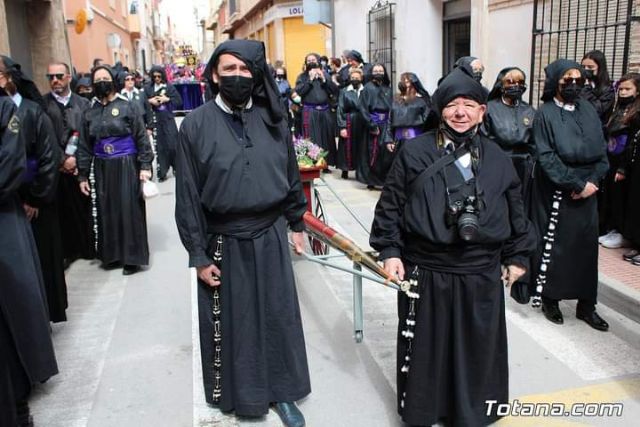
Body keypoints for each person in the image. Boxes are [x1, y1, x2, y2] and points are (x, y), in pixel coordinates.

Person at [370, 67, 535, 426]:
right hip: (426, 270)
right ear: (440, 109)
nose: (461, 112)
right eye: (452, 104)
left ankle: (471, 412)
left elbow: (516, 211)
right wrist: (390, 251)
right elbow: (391, 206)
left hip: (480, 271)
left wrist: (518, 255)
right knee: (428, 349)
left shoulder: (497, 158)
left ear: (482, 111)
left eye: (469, 104)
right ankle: (426, 409)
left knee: (477, 347)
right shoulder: (414, 152)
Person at [175, 40, 310, 427]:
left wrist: (296, 222)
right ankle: (242, 396)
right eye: (228, 69)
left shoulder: (273, 118)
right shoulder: (196, 124)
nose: (237, 76)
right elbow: (187, 196)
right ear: (214, 75)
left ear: (257, 75)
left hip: (269, 233)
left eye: (244, 69)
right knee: (237, 322)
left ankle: (283, 394)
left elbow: (289, 175)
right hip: (223, 238)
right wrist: (198, 254)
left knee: (277, 317)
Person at [530, 59, 609, 331]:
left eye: (579, 79)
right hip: (558, 187)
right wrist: (574, 183)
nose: (574, 85)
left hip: (589, 188)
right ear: (555, 83)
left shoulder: (588, 109)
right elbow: (547, 156)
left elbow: (602, 151)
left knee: (587, 249)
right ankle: (551, 298)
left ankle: (587, 305)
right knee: (558, 248)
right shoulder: (545, 114)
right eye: (568, 80)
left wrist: (593, 181)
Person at [0, 96, 59, 427]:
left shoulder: (5, 110)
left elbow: (10, 163)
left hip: (4, 217)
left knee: (14, 304)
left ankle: (18, 399)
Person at [0, 55, 68, 323]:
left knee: (42, 262)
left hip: (35, 199)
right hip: (9, 200)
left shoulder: (32, 111)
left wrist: (35, 199)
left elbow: (48, 158)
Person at [77, 65, 153, 275]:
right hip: (102, 166)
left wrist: (145, 165)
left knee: (129, 210)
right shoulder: (89, 112)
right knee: (106, 210)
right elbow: (84, 145)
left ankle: (132, 258)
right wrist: (82, 174)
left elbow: (141, 137)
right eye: (98, 79)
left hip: (127, 164)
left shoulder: (128, 107)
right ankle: (111, 255)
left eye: (105, 77)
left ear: (113, 81)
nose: (102, 81)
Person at [42, 61, 96, 267]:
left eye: (58, 76)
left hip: (80, 167)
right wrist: (62, 160)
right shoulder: (43, 105)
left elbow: (88, 134)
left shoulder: (83, 104)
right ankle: (67, 252)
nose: (54, 80)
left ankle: (87, 247)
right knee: (61, 212)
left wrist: (77, 162)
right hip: (55, 168)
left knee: (83, 208)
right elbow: (44, 138)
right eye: (50, 77)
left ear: (68, 77)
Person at [483, 67, 536, 206]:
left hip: (523, 165)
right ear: (501, 85)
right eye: (511, 82)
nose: (516, 86)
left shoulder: (529, 110)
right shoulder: (489, 108)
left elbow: (535, 141)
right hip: (498, 161)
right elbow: (483, 138)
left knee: (520, 202)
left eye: (520, 82)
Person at [294, 53, 339, 169]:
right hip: (310, 110)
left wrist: (324, 80)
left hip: (325, 110)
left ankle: (326, 164)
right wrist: (310, 80)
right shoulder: (302, 77)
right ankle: (313, 162)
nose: (311, 62)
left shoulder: (325, 75)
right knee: (312, 137)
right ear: (305, 63)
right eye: (308, 60)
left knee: (327, 137)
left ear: (318, 61)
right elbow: (299, 92)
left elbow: (334, 90)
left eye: (313, 60)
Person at [357, 63, 393, 188]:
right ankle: (370, 181)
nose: (378, 73)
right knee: (372, 154)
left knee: (385, 155)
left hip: (386, 126)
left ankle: (383, 181)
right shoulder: (367, 88)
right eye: (376, 70)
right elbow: (362, 109)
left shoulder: (388, 89)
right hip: (373, 125)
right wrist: (371, 125)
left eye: (381, 70)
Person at [144, 65, 182, 181]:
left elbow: (179, 101)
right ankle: (163, 172)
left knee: (172, 144)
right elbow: (142, 102)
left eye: (159, 76)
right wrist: (149, 101)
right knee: (160, 147)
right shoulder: (148, 88)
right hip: (156, 120)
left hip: (168, 119)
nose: (157, 79)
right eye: (154, 76)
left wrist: (167, 99)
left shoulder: (169, 87)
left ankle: (176, 167)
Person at [390, 72, 433, 153]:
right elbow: (389, 120)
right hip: (398, 140)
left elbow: (428, 122)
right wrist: (389, 140)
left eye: (407, 81)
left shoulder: (421, 101)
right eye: (403, 80)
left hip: (416, 138)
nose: (403, 83)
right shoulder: (395, 100)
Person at [336, 67, 366, 179]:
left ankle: (360, 170)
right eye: (352, 78)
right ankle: (345, 169)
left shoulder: (365, 90)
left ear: (361, 78)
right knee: (346, 146)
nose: (355, 79)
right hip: (349, 120)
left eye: (357, 78)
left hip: (363, 121)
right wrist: (342, 126)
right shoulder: (344, 91)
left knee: (362, 145)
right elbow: (340, 109)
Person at [580, 50, 615, 128]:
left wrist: (586, 89)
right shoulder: (578, 84)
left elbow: (597, 110)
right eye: (583, 67)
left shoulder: (608, 89)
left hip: (595, 129)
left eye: (590, 67)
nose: (586, 69)